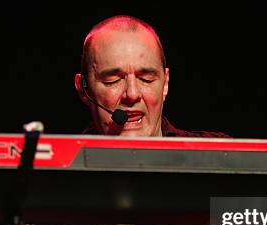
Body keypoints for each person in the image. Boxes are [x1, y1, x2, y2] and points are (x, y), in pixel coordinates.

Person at [75, 15, 230, 138]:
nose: (132, 94)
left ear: (166, 83)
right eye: (113, 80)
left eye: (146, 79)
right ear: (83, 89)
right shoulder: (60, 170)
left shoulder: (219, 154)